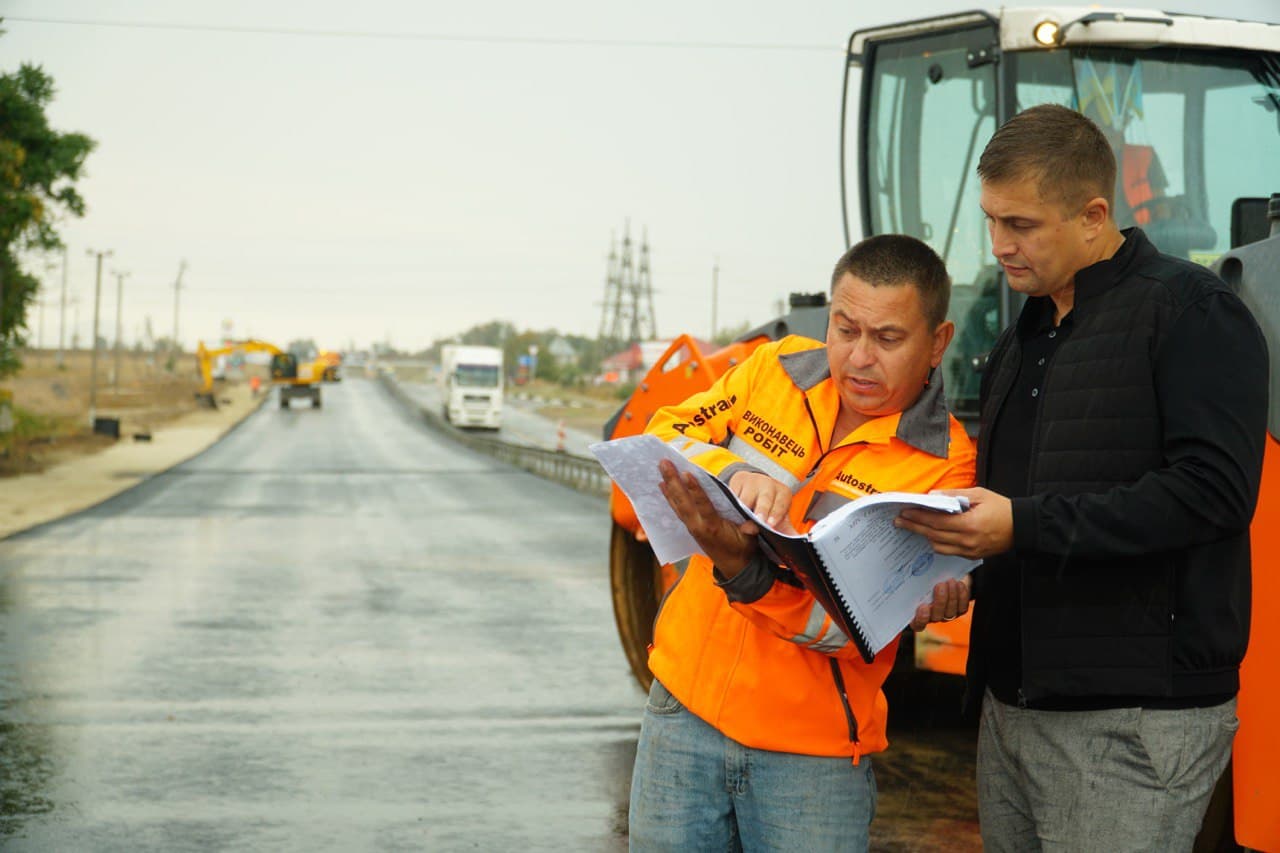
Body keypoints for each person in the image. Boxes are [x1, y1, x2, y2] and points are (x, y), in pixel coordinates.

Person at [896, 104, 1269, 852]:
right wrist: (957, 571)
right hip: (1012, 707)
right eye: (991, 220)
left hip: (1132, 722)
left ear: (1094, 214)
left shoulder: (1193, 312)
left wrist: (1021, 526)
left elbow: (1215, 491)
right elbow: (1020, 508)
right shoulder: (1021, 337)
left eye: (1021, 224)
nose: (999, 244)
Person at [627, 234, 977, 852]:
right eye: (845, 329)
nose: (858, 359)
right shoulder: (777, 367)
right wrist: (734, 474)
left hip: (809, 762)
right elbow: (666, 430)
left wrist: (744, 571)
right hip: (680, 713)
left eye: (887, 339)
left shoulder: (944, 470)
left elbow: (852, 630)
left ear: (938, 343)